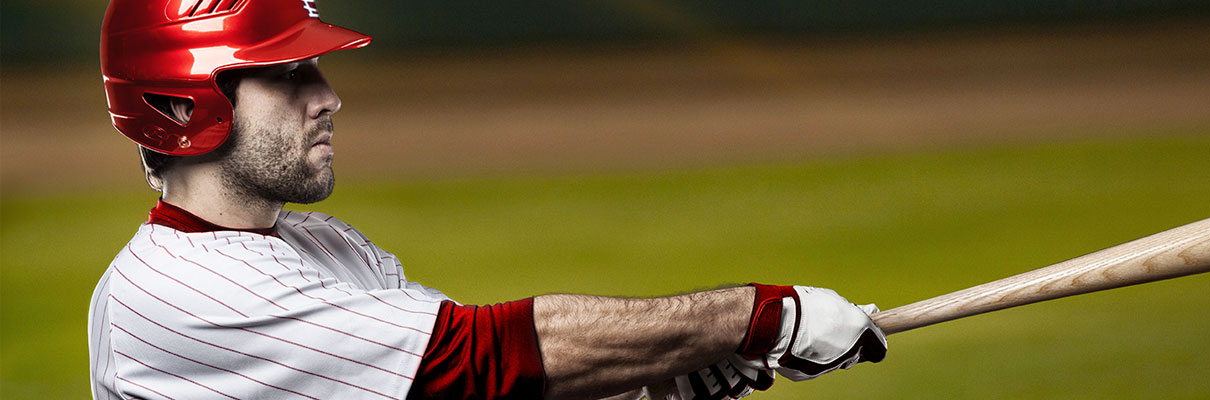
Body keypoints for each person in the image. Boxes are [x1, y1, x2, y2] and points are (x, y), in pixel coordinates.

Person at [87, 1, 888, 399]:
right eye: (289, 75)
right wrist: (760, 315)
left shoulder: (332, 249)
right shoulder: (167, 298)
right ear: (184, 104)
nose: (329, 97)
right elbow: (476, 359)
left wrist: (650, 384)